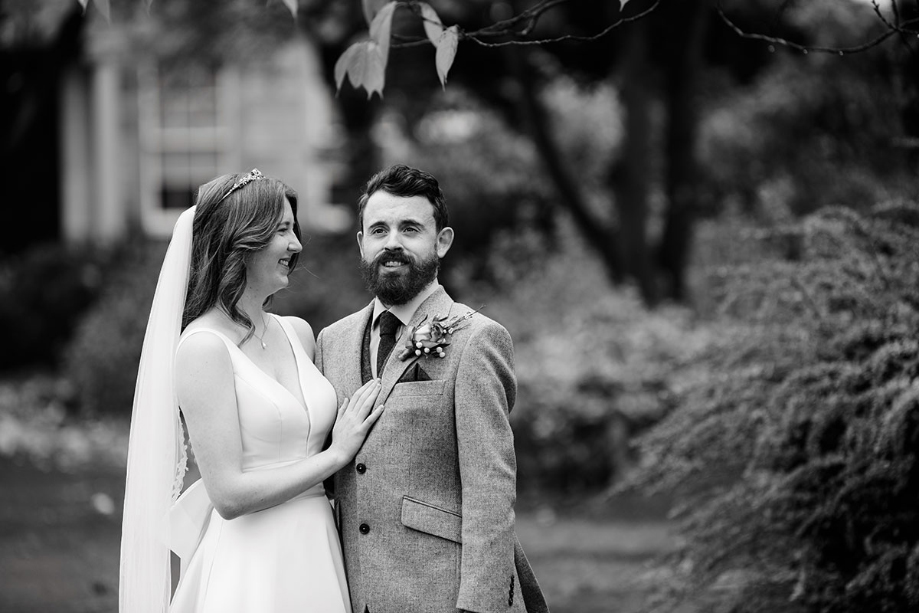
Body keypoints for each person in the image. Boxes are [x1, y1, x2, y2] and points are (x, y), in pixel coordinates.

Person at [119, 169, 384, 613]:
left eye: (293, 230)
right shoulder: (203, 349)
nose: (297, 245)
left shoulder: (298, 333)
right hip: (253, 561)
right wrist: (335, 456)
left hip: (318, 546)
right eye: (282, 230)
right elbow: (228, 495)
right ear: (242, 240)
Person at [315, 164, 549, 613]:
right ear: (362, 244)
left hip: (441, 592)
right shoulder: (332, 342)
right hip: (351, 592)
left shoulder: (477, 339)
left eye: (410, 228)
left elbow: (490, 490)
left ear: (441, 241)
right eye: (379, 230)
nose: (393, 243)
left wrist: (478, 606)